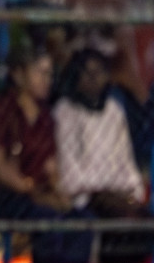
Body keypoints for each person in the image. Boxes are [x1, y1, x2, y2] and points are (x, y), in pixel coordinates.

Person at [0, 47, 88, 263]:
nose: (46, 80)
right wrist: (27, 188)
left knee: (82, 222)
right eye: (39, 73)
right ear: (19, 75)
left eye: (49, 73)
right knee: (47, 220)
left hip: (34, 194)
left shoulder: (46, 116)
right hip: (3, 195)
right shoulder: (3, 108)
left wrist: (58, 194)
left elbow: (49, 165)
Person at [52, 48, 145, 216]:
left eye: (100, 72)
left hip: (117, 196)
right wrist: (102, 192)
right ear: (76, 76)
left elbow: (126, 160)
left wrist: (132, 193)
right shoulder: (65, 111)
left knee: (146, 219)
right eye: (87, 72)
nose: (94, 78)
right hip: (85, 199)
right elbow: (69, 171)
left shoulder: (113, 110)